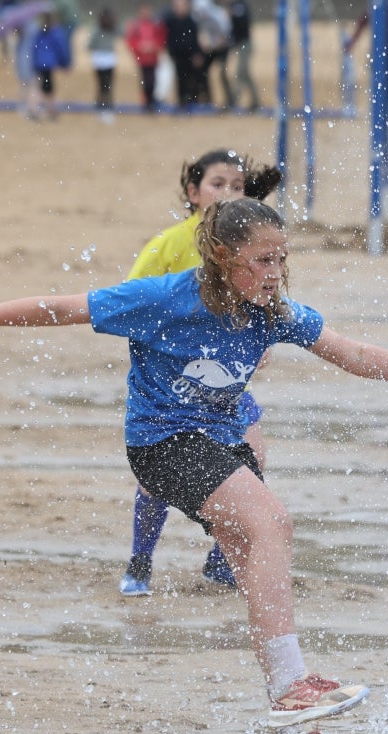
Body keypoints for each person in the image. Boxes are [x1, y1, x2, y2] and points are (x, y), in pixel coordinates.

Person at [0, 198, 388, 734]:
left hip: (218, 442)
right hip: (163, 444)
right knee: (271, 521)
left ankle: (292, 728)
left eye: (282, 259)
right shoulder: (166, 298)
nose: (274, 272)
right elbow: (60, 307)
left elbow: (350, 352)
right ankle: (297, 683)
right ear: (223, 257)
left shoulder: (271, 312)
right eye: (262, 260)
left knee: (254, 560)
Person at [119, 149, 283, 598]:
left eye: (237, 185)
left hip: (227, 388)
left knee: (254, 458)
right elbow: (130, 302)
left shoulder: (255, 247)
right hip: (172, 392)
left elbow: (268, 300)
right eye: (217, 184)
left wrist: (262, 339)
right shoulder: (169, 246)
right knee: (156, 482)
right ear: (193, 193)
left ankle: (221, 561)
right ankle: (140, 560)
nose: (227, 193)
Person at [344, 1, 388, 115]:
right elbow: (360, 27)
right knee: (377, 76)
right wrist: (351, 43)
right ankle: (379, 101)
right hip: (377, 51)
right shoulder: (374, 9)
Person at [29, 12, 72, 121]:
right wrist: (65, 63)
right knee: (46, 87)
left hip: (39, 63)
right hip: (48, 64)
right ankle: (42, 110)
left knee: (43, 86)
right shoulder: (56, 33)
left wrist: (34, 62)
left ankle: (45, 110)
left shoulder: (39, 32)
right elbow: (61, 49)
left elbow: (34, 48)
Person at [164, 0, 205, 110]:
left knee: (192, 78)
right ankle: (182, 101)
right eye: (178, 6)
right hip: (176, 55)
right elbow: (168, 39)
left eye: (183, 6)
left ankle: (192, 100)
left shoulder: (191, 22)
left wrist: (197, 54)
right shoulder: (170, 21)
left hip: (190, 55)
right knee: (180, 78)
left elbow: (195, 40)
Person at [125, 4, 166, 113]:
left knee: (152, 81)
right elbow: (130, 41)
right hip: (142, 59)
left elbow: (161, 38)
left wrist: (154, 46)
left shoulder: (155, 24)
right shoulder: (135, 26)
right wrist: (140, 47)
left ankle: (151, 101)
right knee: (145, 81)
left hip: (153, 58)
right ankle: (146, 102)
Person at [225, 0, 261, 112]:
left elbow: (242, 24)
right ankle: (255, 102)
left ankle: (234, 100)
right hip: (240, 43)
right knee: (245, 73)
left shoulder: (239, 6)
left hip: (245, 43)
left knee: (241, 71)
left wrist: (232, 15)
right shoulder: (234, 6)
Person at [87, 7, 119, 121]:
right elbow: (89, 45)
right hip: (100, 61)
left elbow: (122, 33)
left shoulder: (112, 29)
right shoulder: (97, 31)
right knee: (102, 85)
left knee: (108, 85)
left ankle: (107, 107)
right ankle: (101, 107)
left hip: (109, 60)